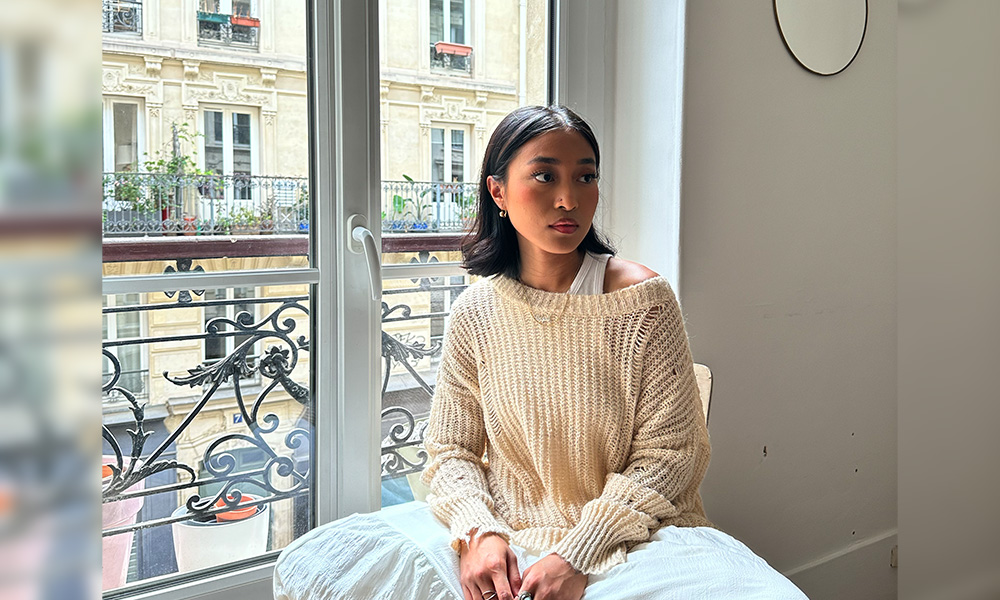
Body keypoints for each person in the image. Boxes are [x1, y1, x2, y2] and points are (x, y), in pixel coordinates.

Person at [273, 106, 808, 600]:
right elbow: (452, 451)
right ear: (499, 192)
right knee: (322, 566)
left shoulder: (644, 302)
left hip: (636, 539)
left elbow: (671, 458)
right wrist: (479, 534)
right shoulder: (476, 311)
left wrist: (577, 553)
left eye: (586, 175)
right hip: (506, 533)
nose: (569, 199)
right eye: (545, 175)